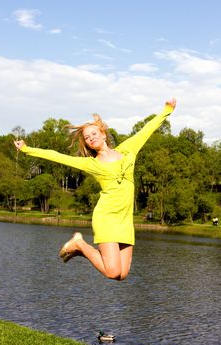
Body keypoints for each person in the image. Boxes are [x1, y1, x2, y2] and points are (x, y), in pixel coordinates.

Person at [14, 98, 176, 280]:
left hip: (125, 219)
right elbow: (57, 156)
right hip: (106, 217)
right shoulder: (92, 163)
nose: (90, 138)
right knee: (112, 271)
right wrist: (27, 149)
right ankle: (80, 244)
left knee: (121, 275)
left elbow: (147, 130)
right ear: (88, 144)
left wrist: (167, 110)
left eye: (93, 133)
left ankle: (79, 247)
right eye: (87, 138)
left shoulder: (128, 150)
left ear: (104, 134)